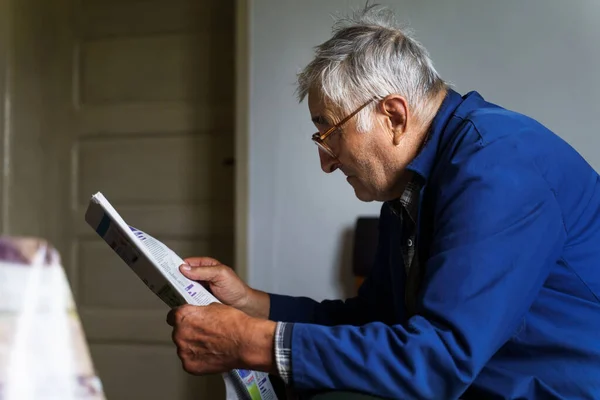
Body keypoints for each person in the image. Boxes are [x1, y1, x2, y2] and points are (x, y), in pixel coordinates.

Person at [166, 4, 600, 399]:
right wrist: (250, 304)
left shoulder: (500, 165)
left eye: (330, 132)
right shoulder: (411, 182)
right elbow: (377, 318)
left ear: (393, 116)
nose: (326, 162)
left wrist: (254, 341)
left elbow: (439, 359)